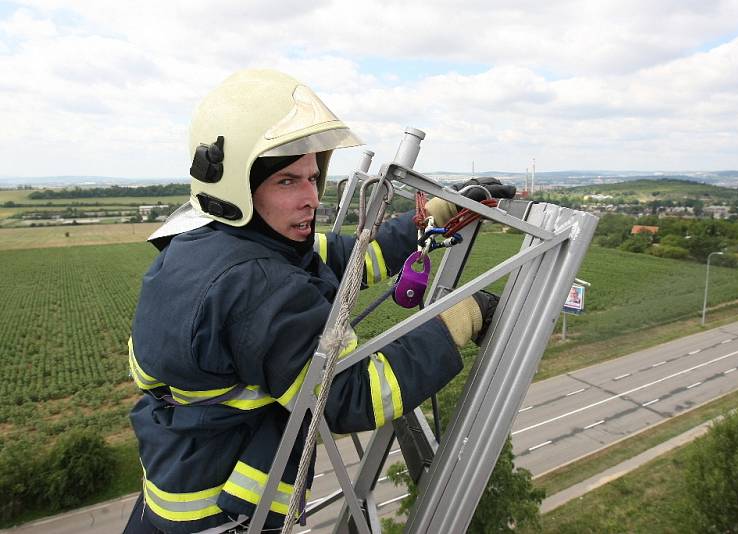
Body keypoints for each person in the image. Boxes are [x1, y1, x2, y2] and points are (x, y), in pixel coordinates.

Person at [123, 69, 512, 534]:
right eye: (288, 181)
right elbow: (349, 393)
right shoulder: (256, 283)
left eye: (312, 177)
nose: (311, 197)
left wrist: (431, 219)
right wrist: (462, 317)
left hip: (169, 496)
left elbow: (340, 260)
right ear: (238, 187)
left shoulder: (212, 240)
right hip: (225, 516)